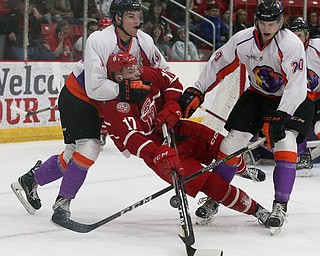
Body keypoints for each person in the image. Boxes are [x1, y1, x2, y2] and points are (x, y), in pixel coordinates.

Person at [11, 0, 169, 221]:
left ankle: (31, 180)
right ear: (117, 18)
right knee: (90, 148)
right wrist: (127, 91)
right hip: (79, 96)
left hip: (102, 101)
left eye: (138, 15)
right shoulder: (99, 40)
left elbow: (163, 70)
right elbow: (94, 87)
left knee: (72, 154)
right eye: (131, 16)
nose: (138, 21)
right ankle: (62, 204)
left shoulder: (144, 41)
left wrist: (170, 96)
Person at [178, 0, 314, 235]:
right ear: (256, 21)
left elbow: (297, 86)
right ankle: (216, 197)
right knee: (231, 143)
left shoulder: (290, 43)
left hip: (292, 99)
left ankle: (280, 206)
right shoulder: (242, 40)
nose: (267, 27)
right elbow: (217, 64)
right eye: (262, 22)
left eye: (272, 23)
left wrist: (281, 115)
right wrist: (198, 90)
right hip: (257, 96)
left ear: (280, 23)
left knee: (285, 142)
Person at [103, 52, 271, 226]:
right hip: (162, 153)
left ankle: (241, 169)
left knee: (226, 147)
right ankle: (257, 210)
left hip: (179, 130)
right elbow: (132, 140)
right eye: (130, 70)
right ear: (118, 76)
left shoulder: (147, 74)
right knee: (211, 184)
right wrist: (157, 153)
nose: (138, 72)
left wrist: (172, 104)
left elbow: (172, 81)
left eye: (136, 66)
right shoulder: (116, 107)